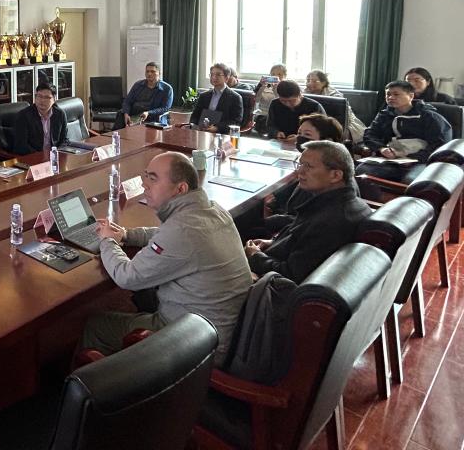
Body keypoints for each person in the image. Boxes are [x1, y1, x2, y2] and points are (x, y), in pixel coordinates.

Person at [80, 152, 251, 363]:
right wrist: (126, 235)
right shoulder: (212, 210)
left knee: (97, 325)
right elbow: (165, 235)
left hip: (195, 344)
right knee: (141, 298)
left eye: (153, 179)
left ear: (180, 189)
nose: (144, 184)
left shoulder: (182, 230)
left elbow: (127, 277)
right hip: (215, 329)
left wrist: (107, 241)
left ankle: (95, 382)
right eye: (146, 176)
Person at [245, 141, 371, 283]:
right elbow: (303, 240)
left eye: (308, 166)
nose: (300, 171)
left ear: (336, 175)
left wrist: (255, 257)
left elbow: (290, 275)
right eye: (300, 164)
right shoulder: (341, 202)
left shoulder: (330, 222)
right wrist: (274, 242)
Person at [357, 80, 452, 183]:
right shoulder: (384, 114)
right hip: (392, 159)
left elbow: (440, 144)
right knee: (362, 170)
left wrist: (413, 158)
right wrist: (382, 148)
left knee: (411, 180)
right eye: (388, 94)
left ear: (411, 96)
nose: (391, 97)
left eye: (396, 94)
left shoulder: (429, 116)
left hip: (421, 160)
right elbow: (369, 134)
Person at [305, 69, 366, 143]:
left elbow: (342, 118)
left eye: (314, 81)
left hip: (343, 123)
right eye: (308, 80)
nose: (309, 83)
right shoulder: (305, 92)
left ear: (323, 82)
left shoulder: (335, 95)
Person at [111, 61, 173, 128]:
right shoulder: (138, 85)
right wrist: (126, 113)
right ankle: (116, 134)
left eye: (152, 71)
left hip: (153, 116)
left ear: (159, 73)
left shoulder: (167, 89)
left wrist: (148, 113)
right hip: (135, 113)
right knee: (121, 113)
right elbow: (127, 101)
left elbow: (165, 108)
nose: (149, 74)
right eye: (147, 71)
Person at [13, 81, 66, 155]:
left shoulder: (60, 114)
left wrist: (55, 154)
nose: (42, 100)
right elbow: (21, 145)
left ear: (54, 99)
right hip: (33, 157)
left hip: (54, 156)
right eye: (39, 96)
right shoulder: (24, 116)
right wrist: (42, 156)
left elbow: (64, 140)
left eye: (47, 97)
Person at [189, 63, 244, 133]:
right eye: (212, 74)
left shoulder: (235, 98)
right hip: (201, 132)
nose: (214, 77)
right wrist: (195, 125)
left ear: (226, 78)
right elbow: (195, 116)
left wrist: (217, 128)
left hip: (221, 134)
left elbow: (236, 121)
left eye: (218, 75)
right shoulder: (204, 96)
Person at [252, 64, 287, 132]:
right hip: (262, 114)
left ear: (285, 76)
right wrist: (261, 87)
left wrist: (275, 90)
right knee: (262, 120)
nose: (276, 76)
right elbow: (256, 100)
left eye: (279, 74)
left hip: (277, 115)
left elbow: (282, 104)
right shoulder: (264, 85)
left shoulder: (286, 87)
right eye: (273, 74)